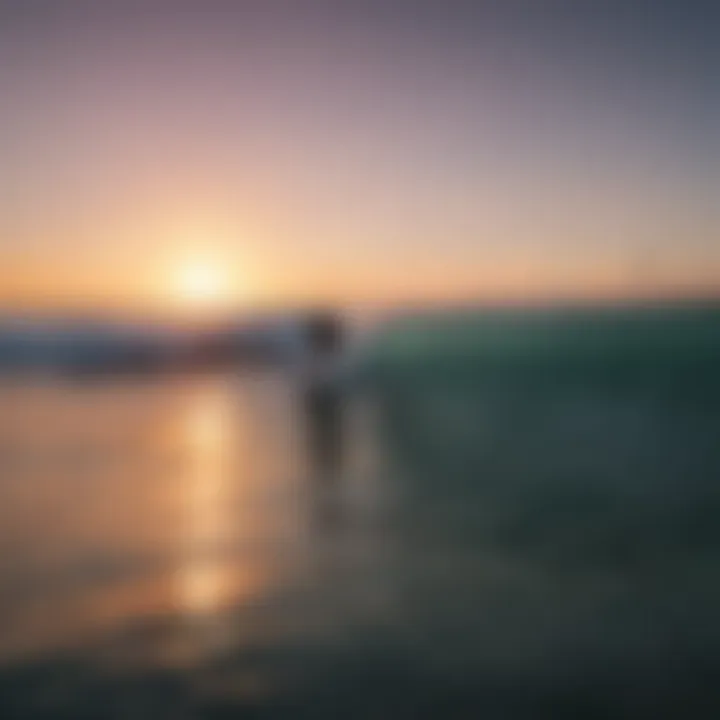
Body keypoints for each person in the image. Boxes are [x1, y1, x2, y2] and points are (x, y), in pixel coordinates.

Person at [301, 311, 345, 478]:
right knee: (329, 438)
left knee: (326, 438)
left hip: (324, 398)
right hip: (324, 399)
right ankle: (329, 467)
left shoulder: (318, 354)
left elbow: (311, 381)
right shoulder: (323, 354)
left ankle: (328, 467)